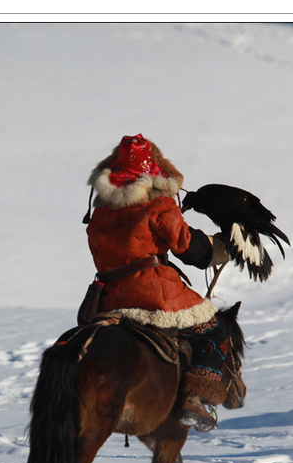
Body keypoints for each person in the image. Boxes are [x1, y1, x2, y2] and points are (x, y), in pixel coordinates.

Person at [85, 134, 231, 430]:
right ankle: (194, 399)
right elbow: (186, 247)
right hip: (156, 294)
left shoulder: (99, 211)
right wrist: (220, 248)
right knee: (213, 330)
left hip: (111, 298)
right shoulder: (159, 204)